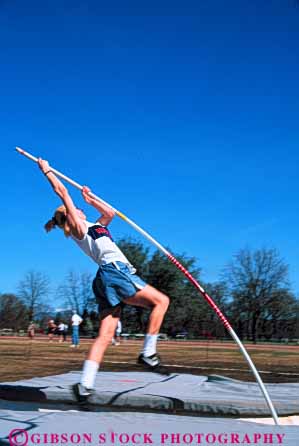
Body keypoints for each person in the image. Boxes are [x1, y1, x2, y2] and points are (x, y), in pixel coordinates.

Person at [37, 158, 170, 403]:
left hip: (104, 278)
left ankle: (85, 385)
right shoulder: (78, 228)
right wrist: (47, 170)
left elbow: (110, 212)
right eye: (76, 208)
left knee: (106, 335)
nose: (80, 208)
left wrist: (90, 199)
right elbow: (62, 190)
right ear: (69, 215)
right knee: (161, 301)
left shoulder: (95, 226)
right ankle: (148, 353)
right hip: (115, 271)